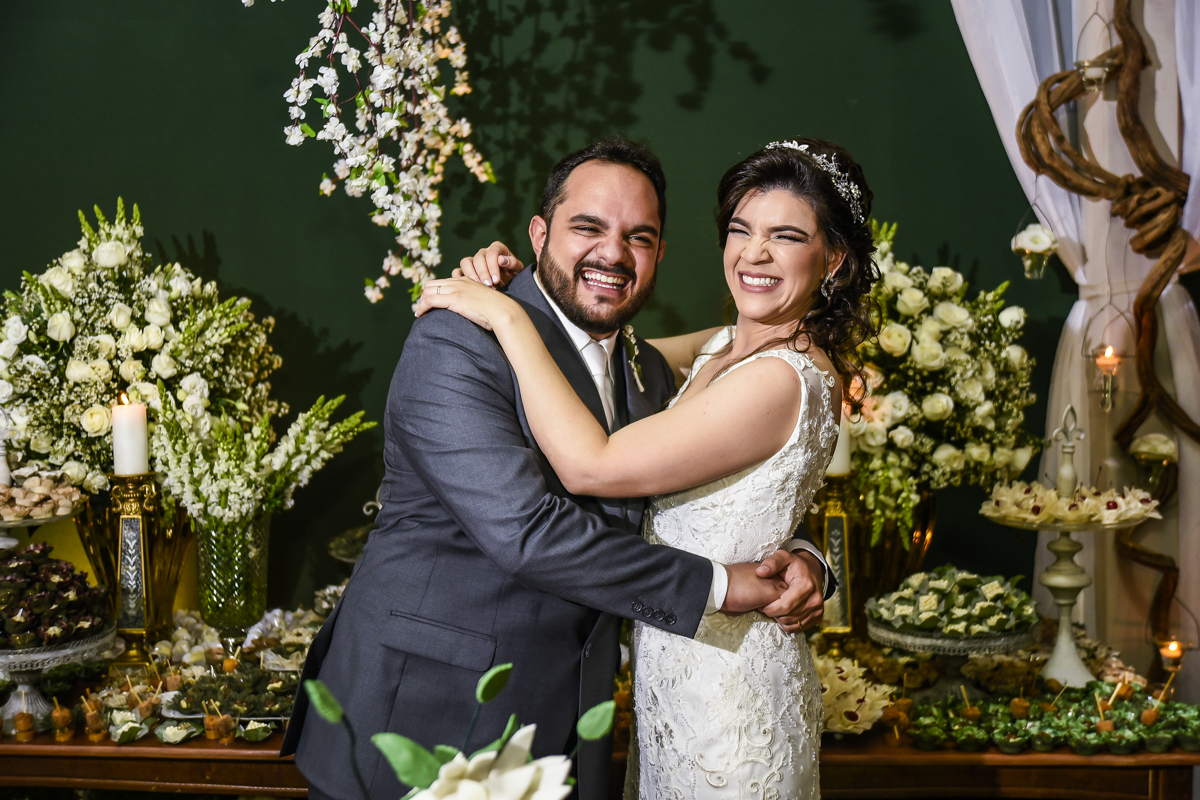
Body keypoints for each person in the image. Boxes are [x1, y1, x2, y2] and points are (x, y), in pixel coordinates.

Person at [281, 136, 834, 800]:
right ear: (539, 234)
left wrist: (805, 556)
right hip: (426, 713)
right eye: (587, 228)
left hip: (566, 723)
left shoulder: (650, 373)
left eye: (639, 237)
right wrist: (720, 586)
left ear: (659, 253)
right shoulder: (459, 339)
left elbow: (726, 483)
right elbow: (527, 533)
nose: (612, 254)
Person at [419, 136, 878, 800]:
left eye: (785, 236)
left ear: (832, 258)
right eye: (741, 230)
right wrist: (531, 284)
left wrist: (506, 314)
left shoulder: (780, 378)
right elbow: (587, 360)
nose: (755, 253)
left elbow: (590, 464)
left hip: (729, 700)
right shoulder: (721, 346)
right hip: (674, 686)